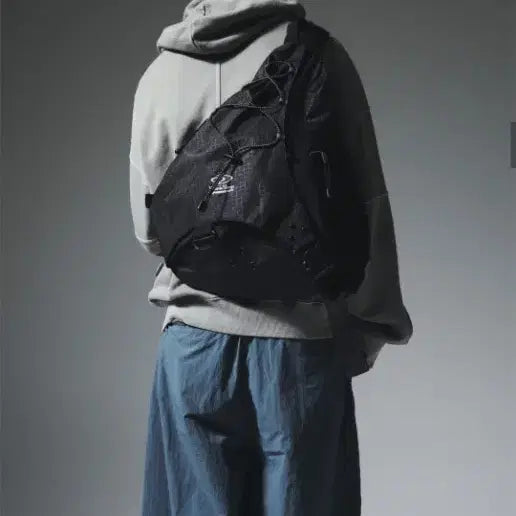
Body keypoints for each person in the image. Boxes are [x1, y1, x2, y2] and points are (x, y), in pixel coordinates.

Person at [129, 1, 413, 515]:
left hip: (193, 348)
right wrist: (372, 325)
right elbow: (366, 202)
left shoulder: (161, 74)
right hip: (298, 345)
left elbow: (150, 231)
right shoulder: (319, 57)